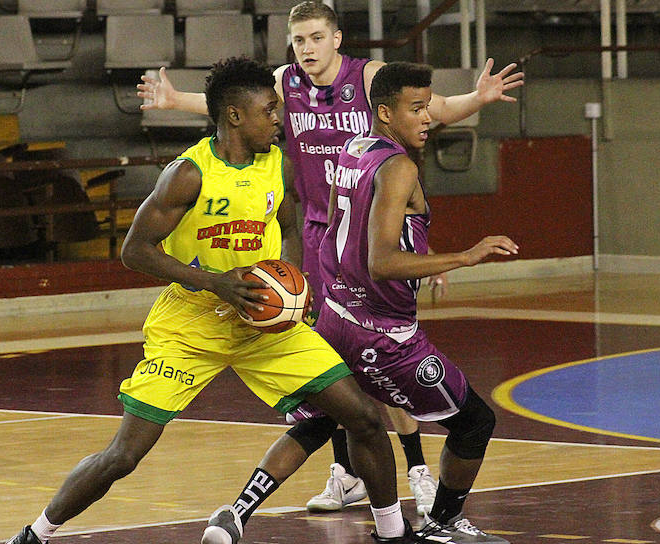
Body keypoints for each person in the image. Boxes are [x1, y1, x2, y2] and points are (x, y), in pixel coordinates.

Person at [0, 57, 474, 544]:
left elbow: (290, 219)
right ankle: (30, 540)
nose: (279, 118)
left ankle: (393, 539)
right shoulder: (189, 173)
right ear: (234, 116)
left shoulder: (276, 163)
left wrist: (293, 279)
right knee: (124, 455)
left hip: (261, 319)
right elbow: (134, 251)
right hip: (192, 324)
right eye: (268, 110)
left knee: (363, 417)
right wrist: (213, 283)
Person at [137, 0, 524, 516]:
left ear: (337, 39)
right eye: (299, 40)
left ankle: (416, 469)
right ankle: (346, 474)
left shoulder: (369, 81)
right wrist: (171, 98)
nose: (307, 49)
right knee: (337, 358)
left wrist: (477, 98)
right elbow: (232, 106)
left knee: (378, 349)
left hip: (371, 234)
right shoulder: (284, 83)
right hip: (319, 234)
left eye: (317, 37)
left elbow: (430, 109)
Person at [198, 62, 519, 544]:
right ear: (386, 112)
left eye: (429, 107)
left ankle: (234, 515)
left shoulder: (353, 149)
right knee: (475, 421)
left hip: (336, 315)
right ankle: (444, 521)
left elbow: (331, 226)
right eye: (417, 109)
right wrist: (463, 255)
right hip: (386, 336)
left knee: (322, 420)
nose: (428, 118)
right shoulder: (399, 167)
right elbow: (382, 260)